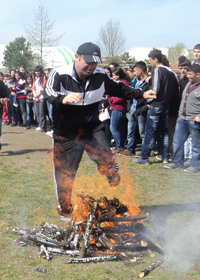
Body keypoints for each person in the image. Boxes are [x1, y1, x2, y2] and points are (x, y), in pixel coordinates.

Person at [44, 42, 156, 217]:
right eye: (88, 62)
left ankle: (111, 173)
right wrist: (63, 98)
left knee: (105, 154)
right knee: (65, 174)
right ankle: (65, 210)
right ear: (77, 57)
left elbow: (120, 88)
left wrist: (140, 94)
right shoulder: (59, 73)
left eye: (95, 63)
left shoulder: (101, 75)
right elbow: (48, 92)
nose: (91, 66)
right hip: (66, 134)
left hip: (90, 129)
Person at [165, 64, 200, 173]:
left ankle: (195, 165)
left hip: (196, 120)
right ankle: (177, 162)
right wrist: (180, 113)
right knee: (177, 141)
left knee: (197, 144)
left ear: (198, 74)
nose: (187, 76)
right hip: (183, 119)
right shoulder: (189, 84)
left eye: (190, 74)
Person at [135, 50, 178, 164]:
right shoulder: (170, 72)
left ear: (156, 59)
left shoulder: (158, 70)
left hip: (156, 105)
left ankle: (144, 156)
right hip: (166, 105)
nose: (150, 63)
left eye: (150, 60)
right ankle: (165, 156)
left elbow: (155, 89)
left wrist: (148, 99)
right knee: (164, 132)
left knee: (150, 131)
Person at [120, 61, 150, 157]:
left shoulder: (149, 82)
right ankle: (130, 149)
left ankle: (144, 151)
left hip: (142, 111)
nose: (133, 73)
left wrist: (143, 109)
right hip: (133, 109)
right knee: (131, 131)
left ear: (140, 71)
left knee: (143, 133)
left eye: (134, 71)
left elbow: (150, 98)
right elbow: (131, 94)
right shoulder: (135, 81)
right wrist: (129, 106)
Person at [108, 68, 130, 152]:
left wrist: (109, 99)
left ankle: (119, 146)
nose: (112, 77)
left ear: (118, 75)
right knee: (119, 128)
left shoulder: (122, 85)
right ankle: (120, 146)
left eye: (113, 75)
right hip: (119, 109)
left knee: (113, 128)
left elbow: (119, 99)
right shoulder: (121, 84)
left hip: (118, 108)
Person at [33, 65, 47, 132]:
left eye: (38, 71)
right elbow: (33, 88)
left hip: (41, 96)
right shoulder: (35, 78)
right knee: (37, 112)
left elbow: (43, 88)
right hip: (36, 96)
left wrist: (37, 95)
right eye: (36, 71)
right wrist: (35, 96)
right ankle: (40, 125)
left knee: (42, 112)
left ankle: (43, 127)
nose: (37, 72)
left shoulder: (43, 78)